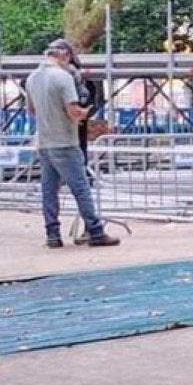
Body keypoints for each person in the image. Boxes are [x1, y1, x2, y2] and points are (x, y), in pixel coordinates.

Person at [25, 38, 120, 250]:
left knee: (49, 190)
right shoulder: (63, 77)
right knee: (81, 188)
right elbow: (73, 112)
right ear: (65, 56)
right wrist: (85, 113)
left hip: (43, 141)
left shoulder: (32, 78)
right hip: (65, 142)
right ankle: (95, 231)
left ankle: (52, 234)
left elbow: (31, 110)